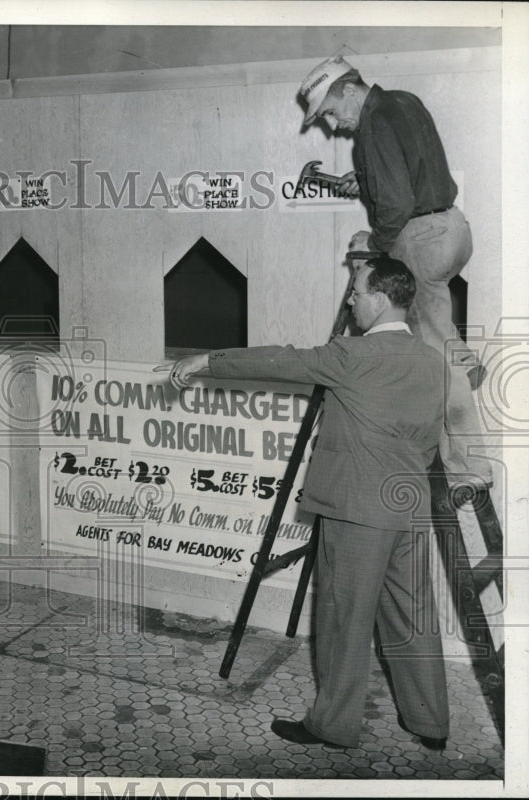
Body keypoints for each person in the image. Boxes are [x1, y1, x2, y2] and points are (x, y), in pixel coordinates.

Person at [160, 257, 449, 751]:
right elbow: (427, 441)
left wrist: (206, 361)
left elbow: (279, 360)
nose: (351, 300)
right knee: (412, 616)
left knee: (343, 619)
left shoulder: (353, 354)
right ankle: (431, 723)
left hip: (357, 509)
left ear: (380, 299)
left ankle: (332, 726)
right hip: (409, 504)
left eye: (357, 291)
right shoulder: (431, 360)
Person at [298, 55, 491, 491]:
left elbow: (396, 207)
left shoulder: (371, 127)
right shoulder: (403, 102)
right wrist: (364, 178)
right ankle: (466, 362)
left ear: (349, 90)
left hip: (421, 238)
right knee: (438, 328)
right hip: (454, 231)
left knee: (434, 357)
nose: (332, 124)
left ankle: (470, 469)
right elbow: (411, 171)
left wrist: (380, 250)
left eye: (330, 111)